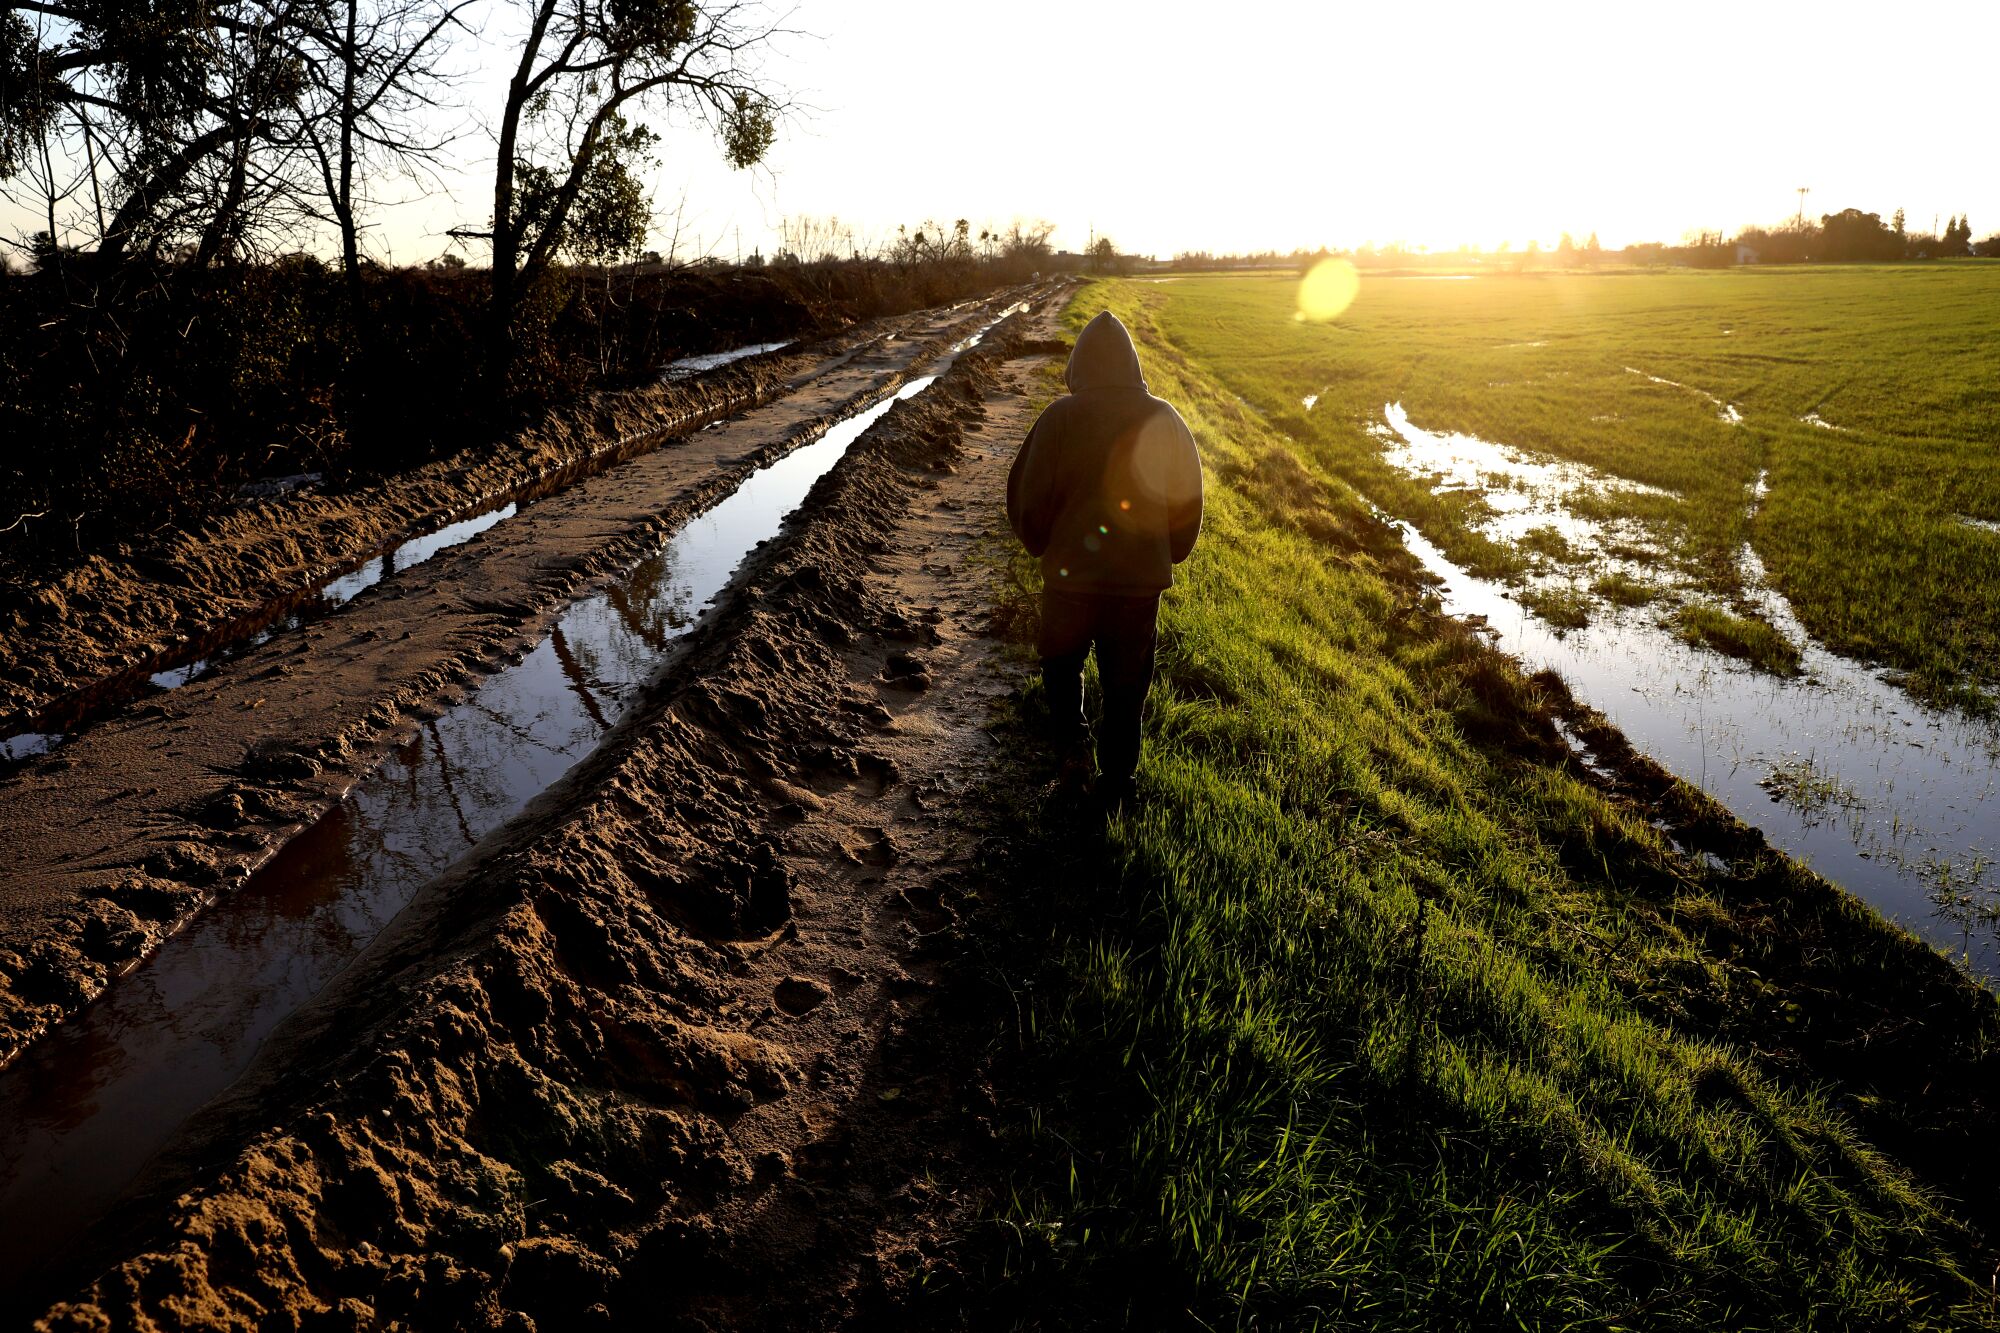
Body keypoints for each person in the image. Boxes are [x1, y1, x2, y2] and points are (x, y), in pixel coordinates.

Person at [1006, 310, 1203, 807]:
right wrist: (1169, 554)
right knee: (1126, 685)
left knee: (1061, 667)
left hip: (1070, 583)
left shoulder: (1058, 418)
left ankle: (1072, 754)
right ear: (1133, 366)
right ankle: (1118, 782)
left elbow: (1027, 496)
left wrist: (1039, 542)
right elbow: (1187, 503)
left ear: (1079, 368)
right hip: (1138, 590)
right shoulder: (1166, 418)